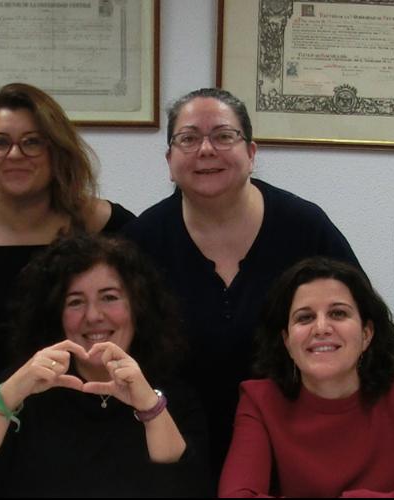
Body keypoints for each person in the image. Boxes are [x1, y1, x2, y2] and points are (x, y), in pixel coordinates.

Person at [121, 88, 364, 475]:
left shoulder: (304, 227)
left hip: (293, 442)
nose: (206, 150)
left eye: (223, 136)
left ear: (251, 153)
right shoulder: (141, 241)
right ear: (169, 161)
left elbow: (360, 318)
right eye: (188, 138)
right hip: (174, 442)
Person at [0, 82, 135, 435]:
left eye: (32, 142)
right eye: (0, 142)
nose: (14, 155)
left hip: (88, 425)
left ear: (56, 149)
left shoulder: (109, 228)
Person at [0, 234, 208, 497]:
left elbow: (189, 488)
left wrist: (151, 408)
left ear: (138, 307)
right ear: (57, 314)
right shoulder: (28, 386)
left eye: (109, 297)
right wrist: (6, 397)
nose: (93, 316)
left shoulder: (175, 397)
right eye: (76, 302)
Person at [220, 257, 394, 497]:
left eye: (338, 313)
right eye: (305, 317)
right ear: (287, 340)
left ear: (366, 334)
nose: (321, 328)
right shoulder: (260, 400)